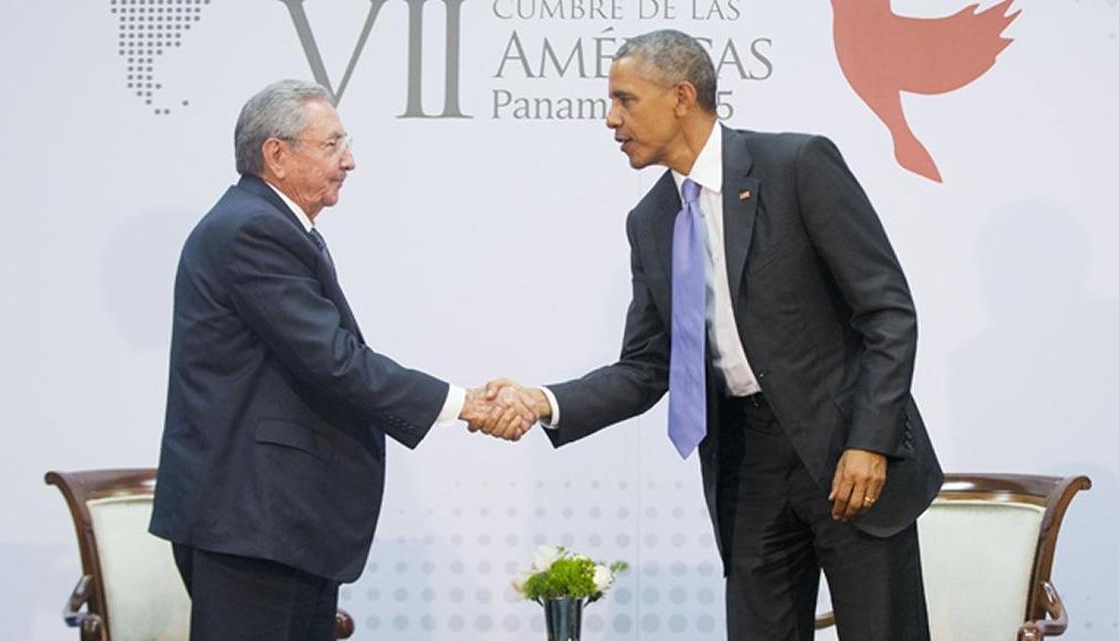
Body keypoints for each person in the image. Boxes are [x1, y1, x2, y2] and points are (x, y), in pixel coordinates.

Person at [489, 30, 944, 641]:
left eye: (625, 100)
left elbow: (887, 312)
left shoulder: (797, 165)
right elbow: (648, 368)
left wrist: (871, 441)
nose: (610, 119)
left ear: (681, 96)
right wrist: (545, 401)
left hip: (846, 455)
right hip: (744, 465)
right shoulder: (650, 221)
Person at [149, 79, 533, 641]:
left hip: (281, 523)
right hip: (253, 525)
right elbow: (336, 360)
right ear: (276, 155)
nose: (349, 161)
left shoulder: (270, 226)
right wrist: (466, 404)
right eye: (331, 145)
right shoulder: (251, 230)